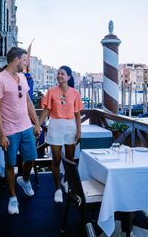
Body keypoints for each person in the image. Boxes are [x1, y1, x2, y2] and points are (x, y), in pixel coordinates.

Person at [0, 47, 41, 215]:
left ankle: (25, 180)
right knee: (10, 164)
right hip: (10, 130)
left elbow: (28, 102)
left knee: (31, 158)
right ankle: (13, 198)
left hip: (26, 127)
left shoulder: (22, 77)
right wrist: (1, 134)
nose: (25, 62)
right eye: (24, 59)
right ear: (16, 59)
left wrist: (36, 123)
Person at [39, 65, 83, 203]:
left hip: (70, 126)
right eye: (58, 73)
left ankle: (66, 181)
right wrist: (38, 125)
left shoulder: (75, 93)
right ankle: (57, 189)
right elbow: (46, 110)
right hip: (55, 126)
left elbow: (77, 114)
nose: (59, 76)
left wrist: (79, 131)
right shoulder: (51, 91)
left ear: (69, 77)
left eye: (62, 74)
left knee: (69, 160)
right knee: (56, 160)